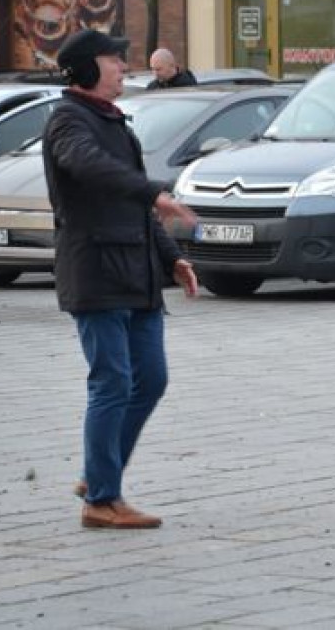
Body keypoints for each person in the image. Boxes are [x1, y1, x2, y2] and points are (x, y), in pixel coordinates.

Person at [43, 29, 199, 529]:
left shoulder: (115, 122)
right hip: (96, 271)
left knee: (150, 379)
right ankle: (102, 499)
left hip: (138, 273)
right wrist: (153, 191)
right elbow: (89, 167)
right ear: (88, 69)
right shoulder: (68, 120)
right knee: (111, 382)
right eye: (114, 60)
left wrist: (171, 258)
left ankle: (98, 471)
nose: (122, 68)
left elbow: (135, 206)